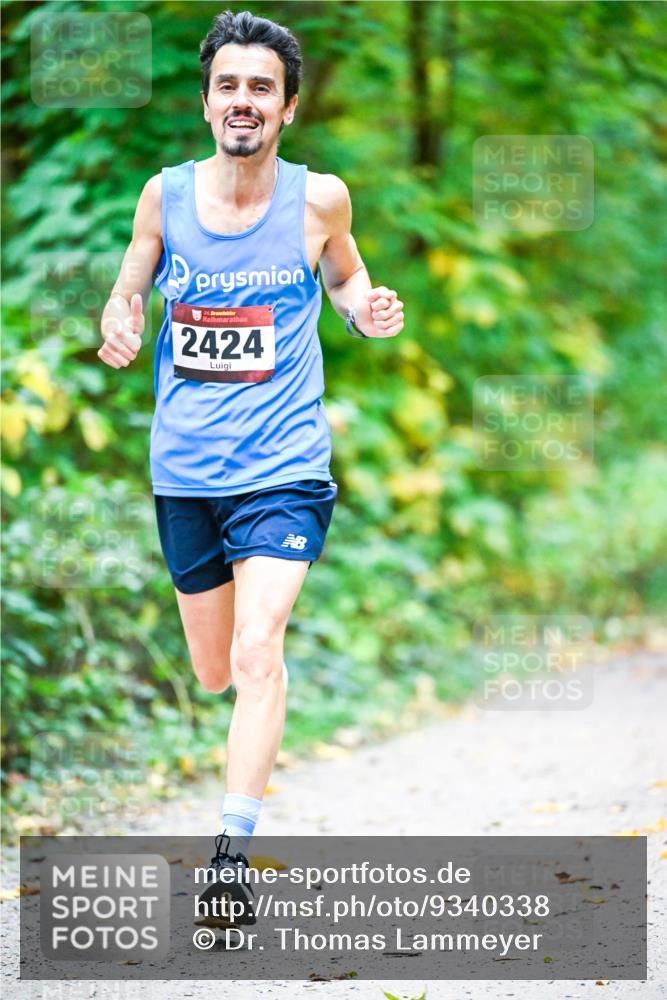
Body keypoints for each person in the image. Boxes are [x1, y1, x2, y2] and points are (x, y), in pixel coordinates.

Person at [98, 9, 404, 926]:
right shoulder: (165, 198)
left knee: (257, 650)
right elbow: (128, 289)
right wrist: (121, 320)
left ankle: (228, 856)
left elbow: (345, 276)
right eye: (228, 85)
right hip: (186, 471)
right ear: (205, 104)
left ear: (288, 108)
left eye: (260, 87)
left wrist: (364, 307)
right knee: (213, 671)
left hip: (284, 465)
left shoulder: (321, 201)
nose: (243, 100)